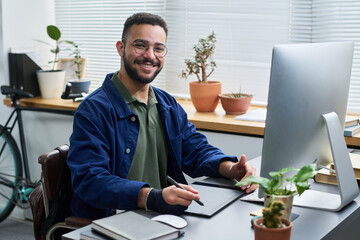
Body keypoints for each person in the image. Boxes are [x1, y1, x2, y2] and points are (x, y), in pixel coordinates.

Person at [67, 12, 257, 220]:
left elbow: (195, 149)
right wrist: (151, 197)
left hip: (161, 216)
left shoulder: (167, 104)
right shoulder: (94, 110)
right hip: (112, 220)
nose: (150, 55)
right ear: (121, 48)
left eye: (158, 48)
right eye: (140, 45)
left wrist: (231, 169)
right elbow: (90, 180)